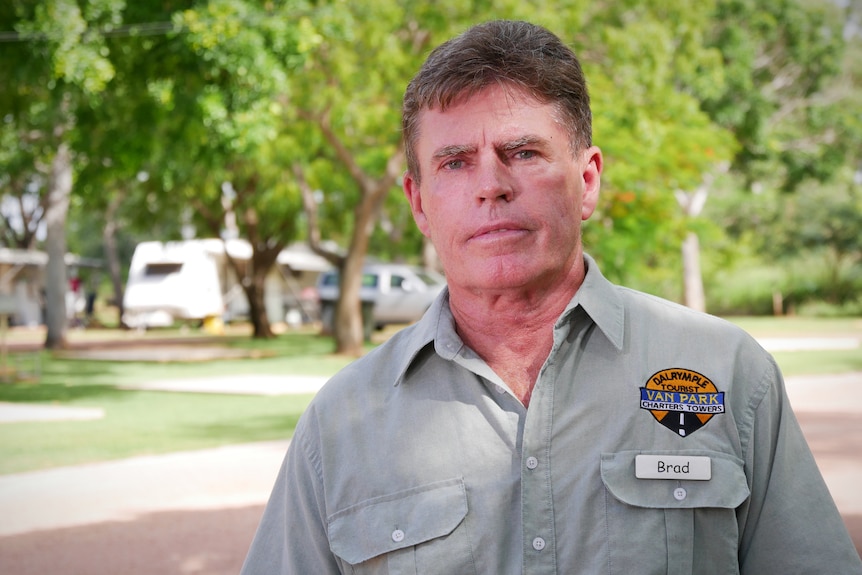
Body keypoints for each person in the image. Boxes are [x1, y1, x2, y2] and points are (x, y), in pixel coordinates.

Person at [241, 20, 862, 574]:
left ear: (587, 180)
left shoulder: (727, 373)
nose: (491, 185)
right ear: (418, 203)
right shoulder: (342, 422)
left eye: (523, 152)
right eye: (455, 162)